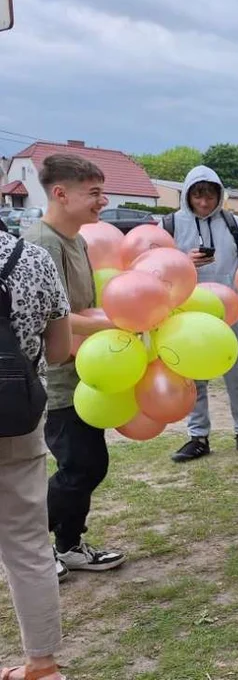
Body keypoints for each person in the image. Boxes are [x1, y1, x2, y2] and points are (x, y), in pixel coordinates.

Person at [22, 154, 125, 574]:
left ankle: (69, 545)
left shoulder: (78, 240)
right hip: (58, 380)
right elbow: (54, 316)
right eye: (94, 193)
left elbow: (85, 305)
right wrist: (117, 325)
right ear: (61, 194)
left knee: (87, 464)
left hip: (88, 372)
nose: (102, 201)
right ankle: (33, 547)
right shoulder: (41, 243)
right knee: (81, 465)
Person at [0, 228, 71, 680]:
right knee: (28, 547)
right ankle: (42, 666)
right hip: (15, 418)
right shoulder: (33, 257)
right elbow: (61, 350)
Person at [163, 166, 238, 462]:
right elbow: (158, 267)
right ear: (188, 195)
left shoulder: (236, 225)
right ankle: (198, 437)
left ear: (219, 194)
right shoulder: (170, 225)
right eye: (198, 195)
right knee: (193, 378)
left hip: (234, 312)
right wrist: (186, 262)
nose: (204, 202)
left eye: (210, 195)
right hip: (188, 316)